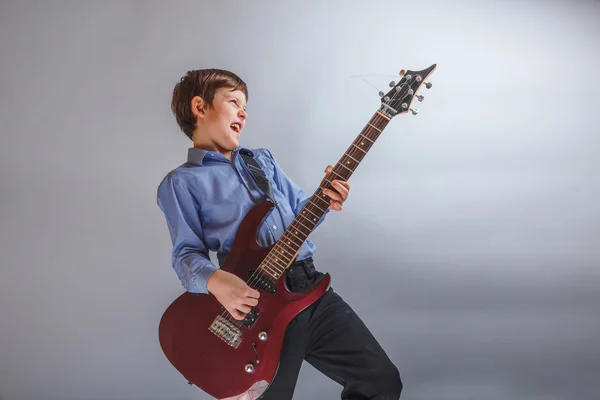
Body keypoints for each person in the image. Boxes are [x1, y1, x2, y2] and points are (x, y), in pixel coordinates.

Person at [157, 68, 402, 399]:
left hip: (307, 288)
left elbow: (304, 214)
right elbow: (186, 255)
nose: (243, 112)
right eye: (233, 102)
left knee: (380, 380)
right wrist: (216, 282)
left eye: (246, 106)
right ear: (200, 107)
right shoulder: (182, 183)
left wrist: (326, 201)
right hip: (253, 304)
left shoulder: (261, 161)